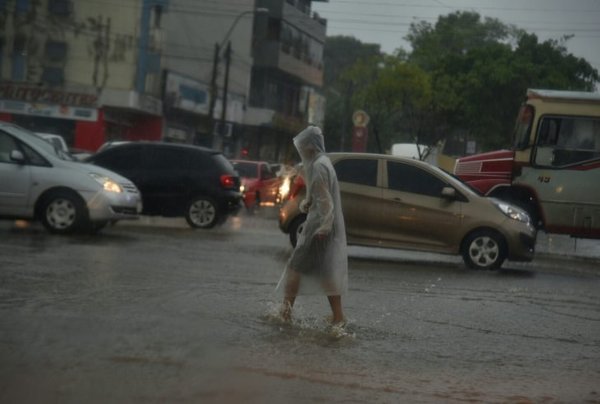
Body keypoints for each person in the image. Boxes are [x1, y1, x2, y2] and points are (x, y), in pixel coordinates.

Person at [276, 126, 348, 326]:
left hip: (318, 228)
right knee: (325, 273)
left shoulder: (318, 166)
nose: (301, 149)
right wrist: (308, 202)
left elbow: (326, 203)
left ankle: (285, 313)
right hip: (322, 226)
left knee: (294, 268)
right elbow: (321, 196)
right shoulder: (324, 163)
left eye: (303, 145)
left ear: (309, 146)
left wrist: (323, 227)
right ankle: (338, 317)